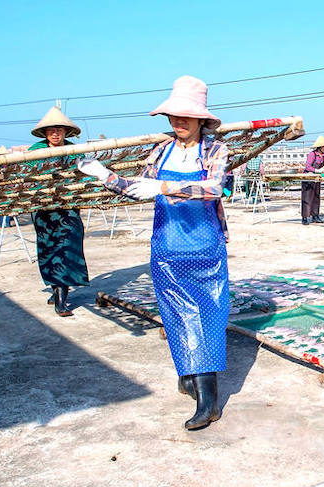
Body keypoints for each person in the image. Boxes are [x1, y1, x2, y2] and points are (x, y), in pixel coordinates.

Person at [77, 76, 229, 431]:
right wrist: (104, 175)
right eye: (173, 116)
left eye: (186, 117)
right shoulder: (161, 151)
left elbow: (214, 188)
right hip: (165, 244)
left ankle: (210, 402)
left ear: (202, 120)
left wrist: (166, 186)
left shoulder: (215, 150)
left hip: (204, 245)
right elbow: (138, 189)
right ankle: (188, 375)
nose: (178, 123)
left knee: (206, 317)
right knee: (176, 315)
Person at [29, 107, 89, 317]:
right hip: (45, 211)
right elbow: (26, 178)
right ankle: (58, 293)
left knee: (67, 248)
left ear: (65, 132)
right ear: (45, 133)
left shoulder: (74, 151)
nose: (55, 133)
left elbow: (85, 175)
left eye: (59, 130)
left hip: (68, 210)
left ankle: (60, 297)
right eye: (51, 130)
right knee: (49, 250)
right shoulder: (35, 151)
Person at [301, 136, 324, 225]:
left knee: (316, 196)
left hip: (317, 178)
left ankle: (315, 216)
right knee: (307, 197)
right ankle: (305, 217)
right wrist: (316, 170)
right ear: (320, 147)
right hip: (308, 177)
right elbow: (308, 166)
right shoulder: (312, 154)